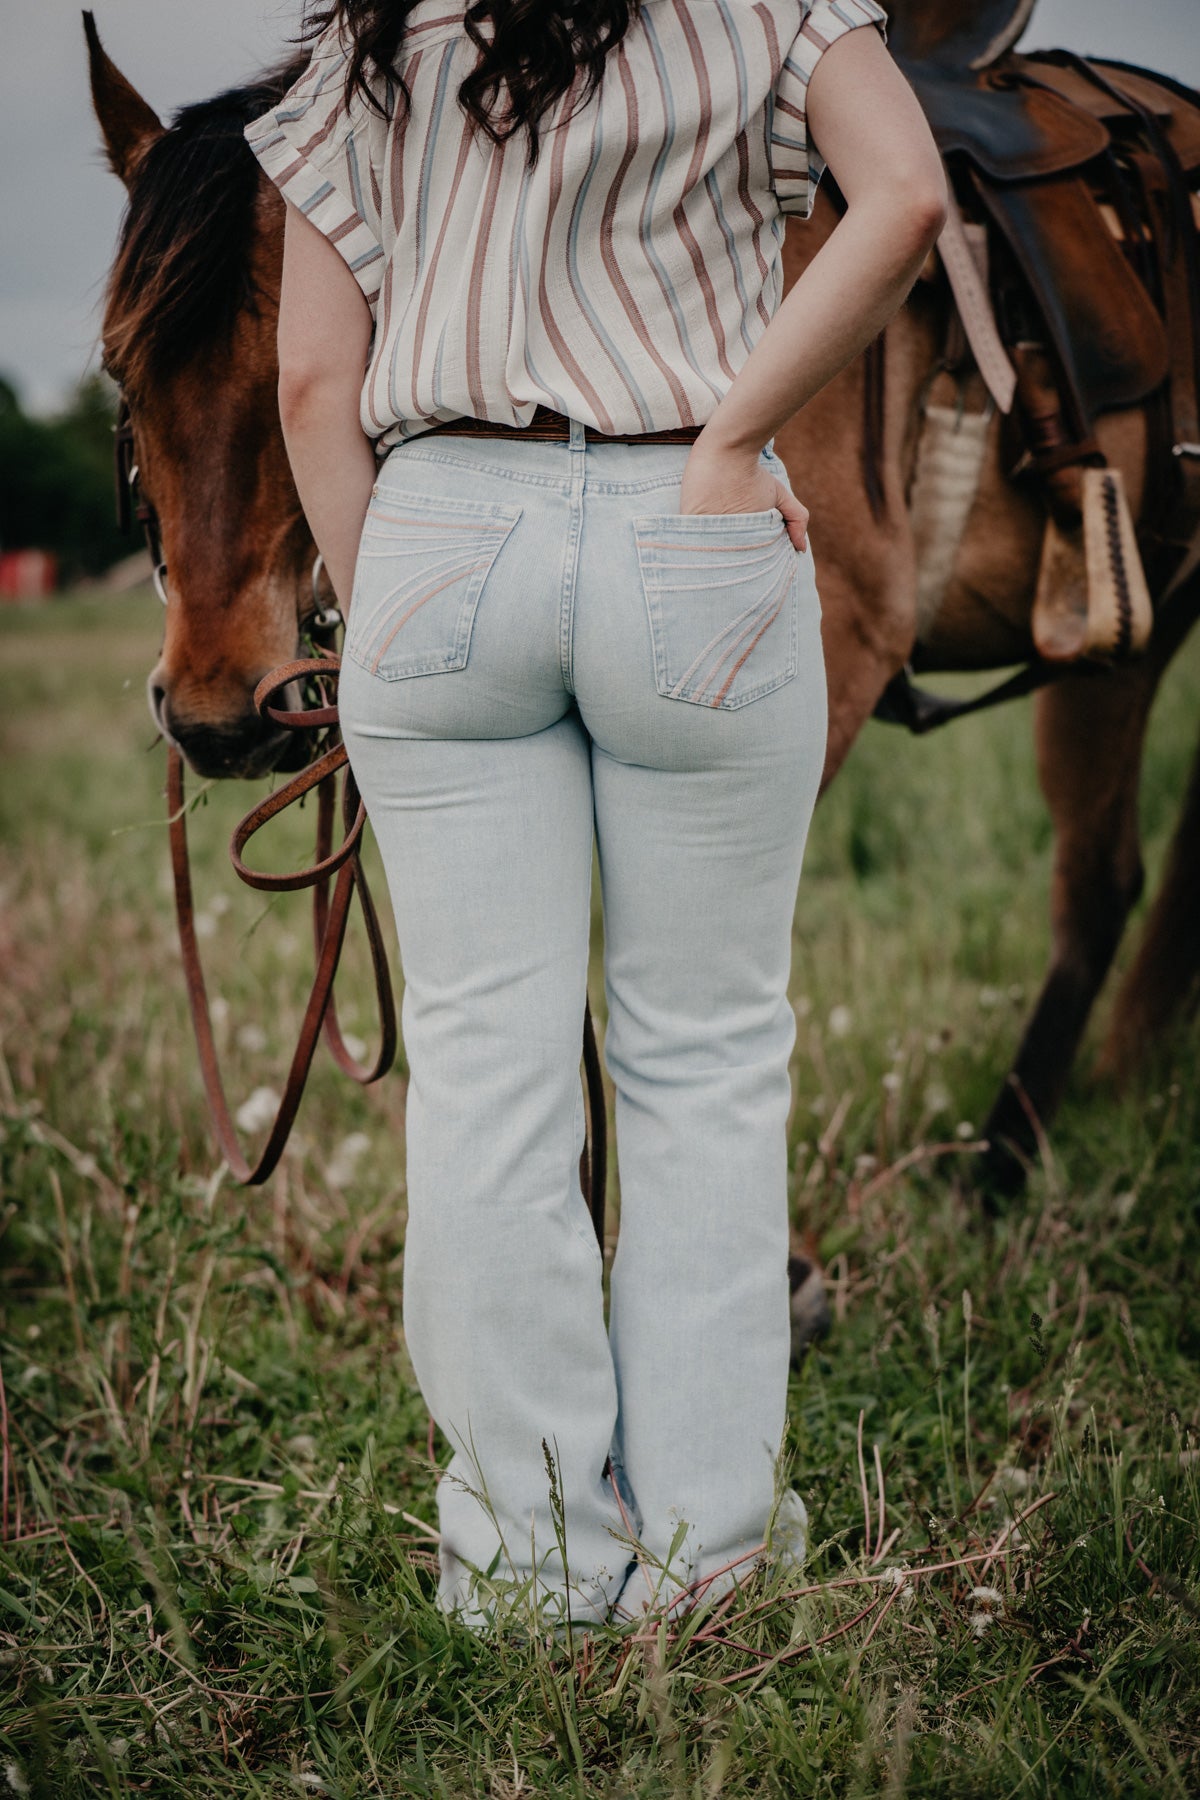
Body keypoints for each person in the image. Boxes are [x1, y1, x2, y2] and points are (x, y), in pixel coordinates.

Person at [246, 0, 944, 1631]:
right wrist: (728, 437)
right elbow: (904, 196)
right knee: (702, 1052)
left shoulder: (362, 29)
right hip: (686, 518)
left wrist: (396, 612)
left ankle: (531, 1571)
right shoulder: (772, 2)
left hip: (439, 517)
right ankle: (704, 1557)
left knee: (485, 1064)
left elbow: (306, 383)